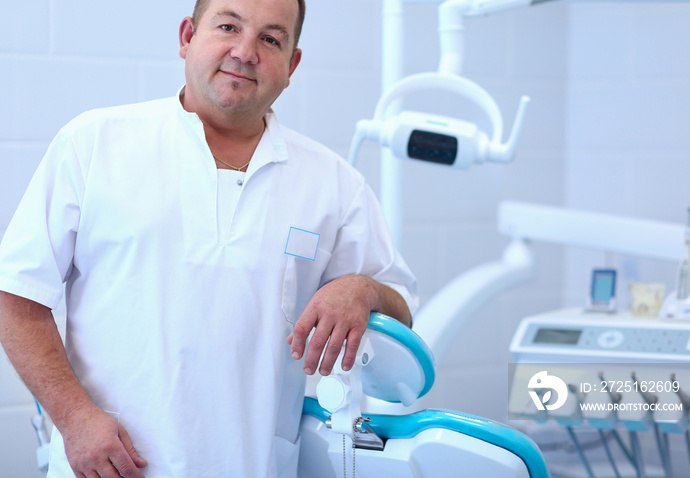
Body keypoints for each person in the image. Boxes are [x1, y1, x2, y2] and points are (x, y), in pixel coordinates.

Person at [0, 0, 418, 476]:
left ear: (292, 65)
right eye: (227, 26)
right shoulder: (94, 144)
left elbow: (402, 308)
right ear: (186, 37)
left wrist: (363, 290)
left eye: (271, 38)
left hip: (254, 465)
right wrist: (74, 419)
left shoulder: (334, 185)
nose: (245, 52)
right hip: (111, 466)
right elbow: (16, 295)